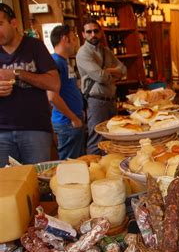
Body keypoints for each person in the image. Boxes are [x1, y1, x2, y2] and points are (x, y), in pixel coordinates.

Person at [0, 3, 60, 166]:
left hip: (35, 129)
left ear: (14, 23)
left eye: (0, 24)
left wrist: (18, 73)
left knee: (39, 183)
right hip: (1, 132)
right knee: (7, 186)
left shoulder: (35, 47)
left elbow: (54, 84)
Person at [76, 18, 126, 155]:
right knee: (96, 140)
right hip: (96, 101)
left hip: (110, 99)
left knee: (112, 138)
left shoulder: (105, 51)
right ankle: (94, 171)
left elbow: (124, 70)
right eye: (89, 31)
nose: (93, 34)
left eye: (96, 31)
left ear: (101, 32)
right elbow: (100, 77)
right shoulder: (83, 53)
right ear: (83, 34)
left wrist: (109, 72)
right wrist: (112, 73)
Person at [48, 24, 85, 160]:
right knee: (69, 166)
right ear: (65, 39)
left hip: (72, 120)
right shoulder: (55, 62)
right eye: (74, 38)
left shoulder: (63, 62)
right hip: (66, 122)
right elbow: (52, 96)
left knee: (77, 163)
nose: (76, 43)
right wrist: (73, 118)